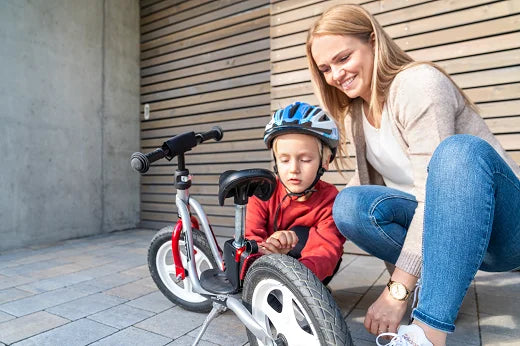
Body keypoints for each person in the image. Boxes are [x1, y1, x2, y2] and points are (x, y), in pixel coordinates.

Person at [305, 4, 520, 346]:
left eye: (343, 58)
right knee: (349, 204)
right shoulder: (357, 114)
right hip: (446, 237)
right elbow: (364, 198)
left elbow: (429, 194)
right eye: (326, 68)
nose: (335, 75)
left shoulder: (418, 83)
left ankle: (427, 333)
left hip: (504, 229)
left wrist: (397, 291)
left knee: (456, 153)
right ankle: (437, 289)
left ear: (373, 41)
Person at [245, 101, 346, 284]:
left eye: (305, 159)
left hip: (306, 274)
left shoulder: (330, 199)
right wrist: (266, 248)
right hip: (267, 264)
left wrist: (296, 282)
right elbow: (251, 237)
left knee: (302, 233)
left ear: (325, 161)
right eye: (284, 160)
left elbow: (325, 250)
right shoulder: (263, 193)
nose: (294, 169)